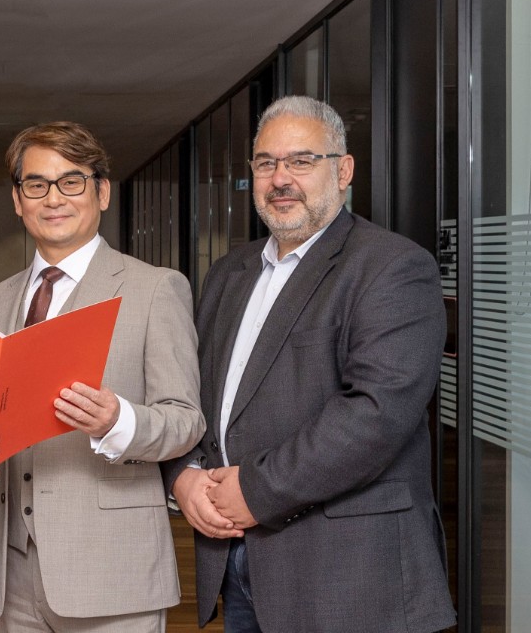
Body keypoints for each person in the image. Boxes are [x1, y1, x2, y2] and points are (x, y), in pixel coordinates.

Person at [162, 96, 455, 633]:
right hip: (239, 562)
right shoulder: (230, 273)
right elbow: (195, 396)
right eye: (266, 163)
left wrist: (254, 490)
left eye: (301, 161)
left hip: (348, 572)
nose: (281, 179)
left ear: (343, 170)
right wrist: (184, 477)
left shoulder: (392, 267)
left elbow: (375, 414)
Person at [0, 122, 204, 633]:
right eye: (36, 184)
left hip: (112, 573)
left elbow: (185, 422)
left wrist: (119, 421)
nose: (53, 198)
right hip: (10, 578)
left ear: (102, 191)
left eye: (72, 181)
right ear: (18, 201)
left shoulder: (155, 289)